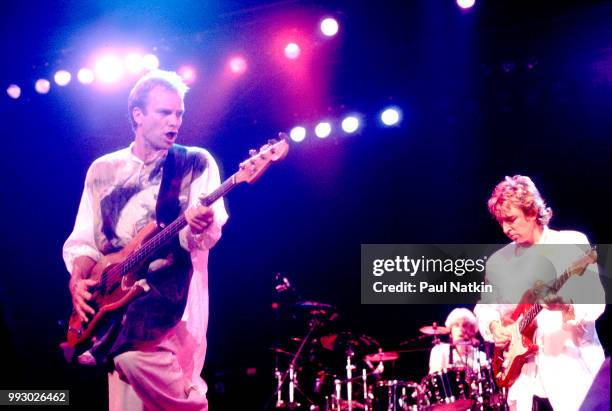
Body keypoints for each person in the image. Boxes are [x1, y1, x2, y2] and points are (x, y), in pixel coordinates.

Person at [63, 69, 228, 410]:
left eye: (179, 113)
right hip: (114, 304)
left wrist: (199, 225)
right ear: (138, 115)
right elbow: (84, 242)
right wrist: (78, 280)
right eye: (165, 112)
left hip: (174, 300)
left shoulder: (194, 162)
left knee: (145, 365)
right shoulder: (102, 170)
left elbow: (208, 235)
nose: (175, 121)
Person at [474, 175, 605, 411]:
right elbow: (485, 308)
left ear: (532, 211)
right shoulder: (498, 262)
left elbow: (596, 303)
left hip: (571, 378)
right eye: (501, 222)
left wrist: (564, 306)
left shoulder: (571, 242)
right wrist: (495, 328)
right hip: (524, 385)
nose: (505, 228)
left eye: (511, 219)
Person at [428, 307, 486, 374]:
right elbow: (435, 379)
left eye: (465, 325)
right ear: (450, 332)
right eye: (456, 325)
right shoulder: (439, 350)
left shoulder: (481, 356)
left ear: (472, 331)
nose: (461, 329)